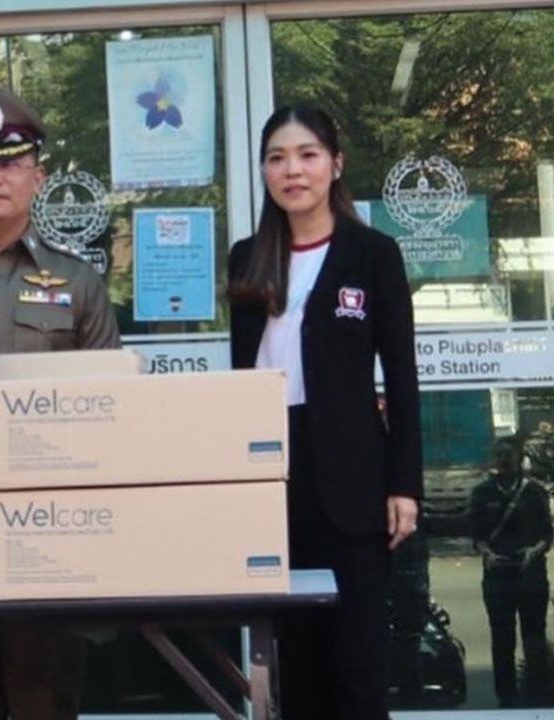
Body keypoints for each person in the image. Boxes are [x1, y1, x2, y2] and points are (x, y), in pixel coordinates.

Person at [227, 105, 422, 719]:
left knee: (357, 669)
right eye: (277, 158)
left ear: (335, 165)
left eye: (307, 155)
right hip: (272, 473)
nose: (293, 170)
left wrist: (404, 484)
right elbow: (242, 377)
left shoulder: (372, 253)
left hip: (352, 479)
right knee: (295, 670)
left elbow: (403, 377)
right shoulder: (246, 258)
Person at [0, 87, 121, 720]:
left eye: (10, 163)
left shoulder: (78, 283)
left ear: (37, 178)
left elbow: (112, 412)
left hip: (50, 525)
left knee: (45, 697)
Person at [470, 434, 553, 708]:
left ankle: (537, 694)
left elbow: (546, 535)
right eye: (499, 454)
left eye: (508, 454)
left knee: (534, 637)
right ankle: (505, 698)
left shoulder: (534, 492)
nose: (503, 460)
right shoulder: (482, 493)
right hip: (497, 578)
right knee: (501, 638)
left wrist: (534, 551)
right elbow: (477, 537)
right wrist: (487, 553)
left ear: (519, 458)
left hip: (531, 575)